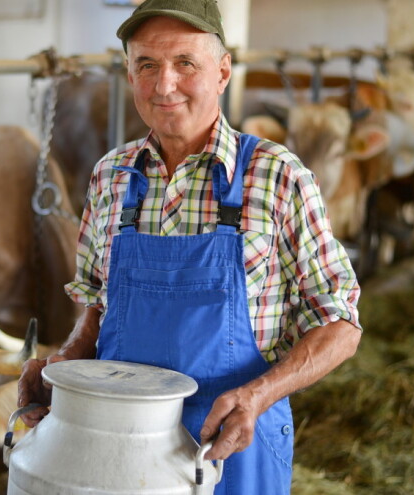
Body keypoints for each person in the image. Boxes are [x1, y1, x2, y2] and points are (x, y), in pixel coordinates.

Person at [18, 0, 362, 493]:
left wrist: (260, 394)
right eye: (147, 65)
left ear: (222, 71)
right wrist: (66, 367)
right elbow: (97, 308)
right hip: (117, 450)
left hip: (230, 446)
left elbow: (340, 322)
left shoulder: (277, 177)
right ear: (129, 73)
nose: (164, 85)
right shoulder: (111, 177)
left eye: (185, 64)